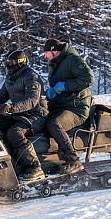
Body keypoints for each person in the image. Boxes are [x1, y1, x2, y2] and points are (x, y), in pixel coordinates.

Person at [0, 50, 48, 181]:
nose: (8, 67)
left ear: (20, 64)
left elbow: (31, 100)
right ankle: (1, 164)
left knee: (14, 133)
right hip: (19, 114)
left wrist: (11, 108)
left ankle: (34, 167)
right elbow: (0, 96)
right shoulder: (10, 78)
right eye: (7, 63)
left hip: (36, 115)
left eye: (11, 64)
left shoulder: (32, 77)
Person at [43, 39, 95, 174]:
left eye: (46, 53)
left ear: (55, 51)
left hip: (77, 107)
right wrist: (50, 93)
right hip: (62, 105)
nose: (45, 56)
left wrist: (65, 86)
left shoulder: (72, 60)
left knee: (54, 124)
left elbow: (88, 78)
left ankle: (74, 160)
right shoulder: (56, 63)